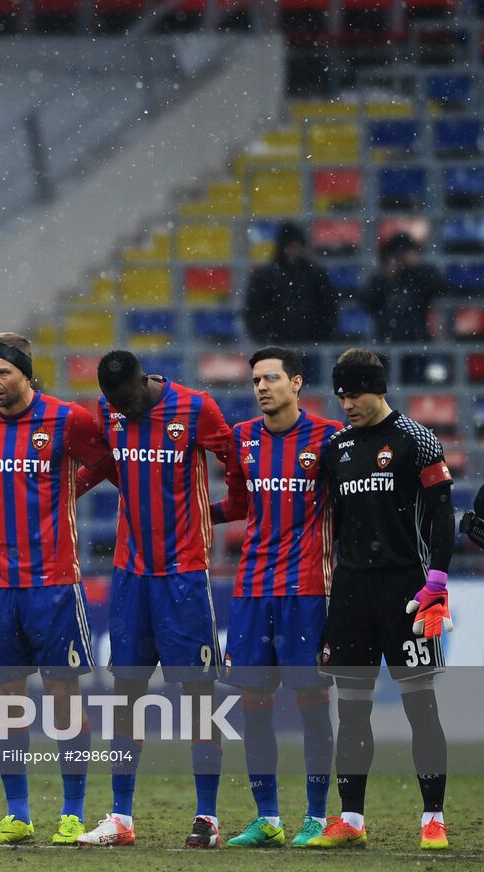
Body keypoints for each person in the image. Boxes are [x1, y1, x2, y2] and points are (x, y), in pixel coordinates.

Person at [75, 350, 233, 848]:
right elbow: (105, 464)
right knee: (127, 694)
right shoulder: (107, 413)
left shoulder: (195, 409)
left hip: (184, 575)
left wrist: (218, 513)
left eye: (126, 400)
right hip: (130, 573)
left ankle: (207, 816)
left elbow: (237, 464)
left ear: (143, 382)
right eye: (113, 404)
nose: (121, 409)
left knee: (199, 697)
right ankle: (121, 817)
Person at [0, 333, 112, 846]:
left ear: (25, 374)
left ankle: (72, 812)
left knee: (63, 698)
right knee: (6, 701)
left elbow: (109, 463)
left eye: (1, 373)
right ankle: (18, 814)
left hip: (54, 582)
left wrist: (69, 489)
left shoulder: (65, 420)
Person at [309, 348, 455, 851]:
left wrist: (436, 581)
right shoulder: (338, 447)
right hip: (351, 592)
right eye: (341, 394)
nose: (347, 403)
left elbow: (442, 515)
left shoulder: (416, 439)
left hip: (406, 591)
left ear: (379, 388)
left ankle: (433, 817)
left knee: (420, 707)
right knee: (350, 711)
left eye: (356, 393)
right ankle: (351, 818)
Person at [210, 347, 338, 848]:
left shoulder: (329, 439)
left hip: (306, 591)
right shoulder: (243, 438)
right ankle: (267, 818)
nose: (262, 387)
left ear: (297, 383)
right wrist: (199, 514)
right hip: (251, 592)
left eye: (272, 378)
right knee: (254, 705)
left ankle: (316, 816)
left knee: (311, 705)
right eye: (256, 379)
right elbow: (239, 504)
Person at [243, 222, 338, 344]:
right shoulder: (266, 276)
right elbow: (254, 309)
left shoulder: (315, 274)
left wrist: (323, 335)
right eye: (290, 245)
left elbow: (328, 306)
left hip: (310, 344)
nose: (293, 249)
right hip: (279, 344)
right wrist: (264, 336)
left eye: (296, 245)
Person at [364, 232, 449, 344]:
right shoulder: (382, 277)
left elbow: (441, 287)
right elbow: (367, 301)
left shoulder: (419, 276)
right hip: (386, 339)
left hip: (417, 339)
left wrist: (416, 267)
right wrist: (386, 277)